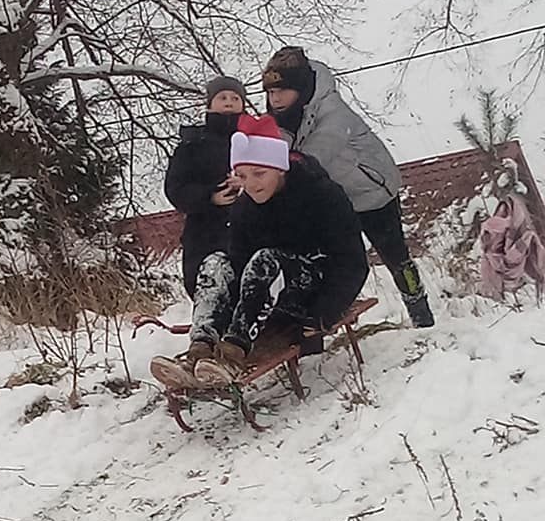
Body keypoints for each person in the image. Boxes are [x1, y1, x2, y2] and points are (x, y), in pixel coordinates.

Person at [150, 114, 369, 388]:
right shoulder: (245, 208)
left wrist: (326, 312)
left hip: (313, 291)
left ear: (280, 168)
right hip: (268, 299)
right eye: (242, 176)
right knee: (216, 262)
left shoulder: (322, 195)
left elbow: (351, 261)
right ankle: (200, 349)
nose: (251, 184)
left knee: (266, 260)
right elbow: (240, 265)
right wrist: (228, 309)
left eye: (259, 173)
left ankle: (234, 354)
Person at [262, 46, 434, 329]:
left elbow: (318, 153)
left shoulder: (333, 110)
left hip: (373, 192)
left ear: (301, 88)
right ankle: (320, 311)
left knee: (396, 258)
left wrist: (282, 168)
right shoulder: (282, 118)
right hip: (337, 201)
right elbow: (272, 153)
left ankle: (421, 313)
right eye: (270, 92)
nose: (275, 98)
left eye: (282, 90)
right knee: (334, 258)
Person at [162, 75, 245, 374]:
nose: (229, 103)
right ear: (209, 104)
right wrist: (210, 197)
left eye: (235, 98)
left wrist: (247, 184)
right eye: (223, 98)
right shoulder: (192, 145)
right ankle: (200, 349)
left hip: (249, 230)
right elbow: (175, 189)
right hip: (205, 233)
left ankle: (229, 352)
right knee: (209, 280)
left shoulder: (255, 140)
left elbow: (276, 179)